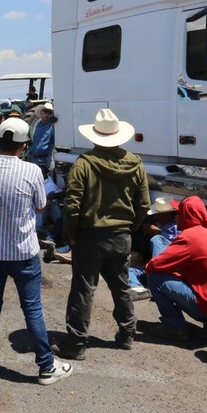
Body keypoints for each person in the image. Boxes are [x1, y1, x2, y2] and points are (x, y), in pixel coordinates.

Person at [0, 118, 74, 386]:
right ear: (24, 145)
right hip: (23, 252)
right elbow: (40, 206)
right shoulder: (32, 171)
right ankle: (46, 367)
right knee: (33, 310)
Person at [53, 109, 149, 360]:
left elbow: (73, 205)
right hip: (121, 236)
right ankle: (127, 333)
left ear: (95, 135)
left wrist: (70, 236)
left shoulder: (84, 164)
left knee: (84, 289)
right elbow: (143, 205)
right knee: (121, 286)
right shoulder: (135, 163)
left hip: (89, 236)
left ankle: (76, 343)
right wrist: (131, 227)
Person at [145, 196, 207, 339]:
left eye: (179, 213)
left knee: (155, 277)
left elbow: (156, 265)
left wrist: (149, 269)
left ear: (187, 216)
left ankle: (174, 327)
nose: (176, 217)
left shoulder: (189, 237)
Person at [26, 102, 56, 178]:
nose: (47, 114)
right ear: (41, 112)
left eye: (49, 112)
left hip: (44, 160)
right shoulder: (38, 124)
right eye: (45, 111)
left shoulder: (52, 126)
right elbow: (35, 140)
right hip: (33, 158)